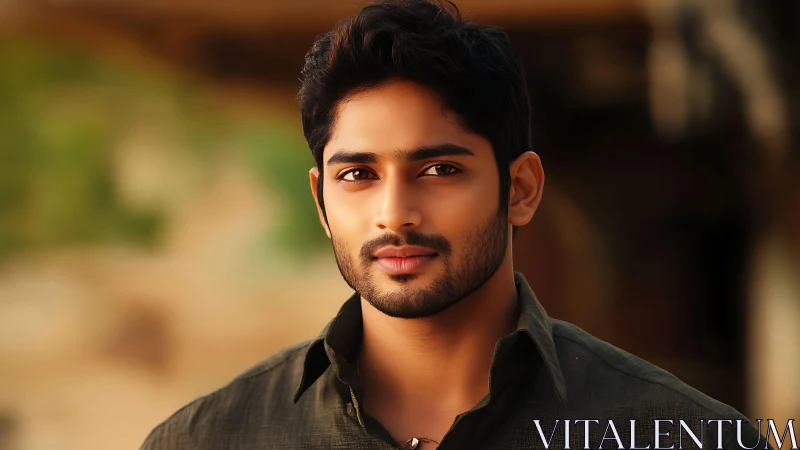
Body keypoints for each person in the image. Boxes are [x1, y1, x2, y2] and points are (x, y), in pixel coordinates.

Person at [140, 1, 770, 449]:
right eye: (357, 174)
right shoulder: (209, 439)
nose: (394, 213)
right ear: (320, 202)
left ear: (519, 190)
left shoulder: (680, 435)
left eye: (439, 169)